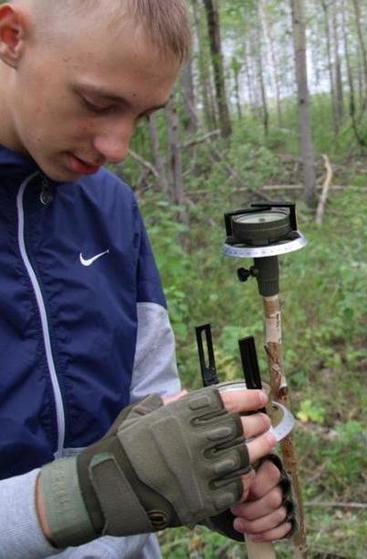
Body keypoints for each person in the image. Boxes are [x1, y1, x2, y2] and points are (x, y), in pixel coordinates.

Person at [0, 0, 292, 557]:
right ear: (12, 35)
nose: (117, 148)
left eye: (141, 117)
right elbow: (106, 483)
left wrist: (208, 483)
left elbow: (151, 400)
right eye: (97, 102)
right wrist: (84, 494)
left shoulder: (111, 208)